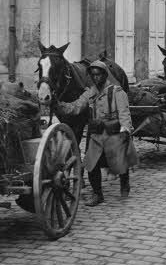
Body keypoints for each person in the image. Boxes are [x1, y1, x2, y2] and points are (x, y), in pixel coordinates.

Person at [55, 61, 138, 206]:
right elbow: (75, 107)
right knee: (90, 165)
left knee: (120, 162)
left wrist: (125, 128)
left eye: (98, 74)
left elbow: (124, 113)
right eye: (93, 75)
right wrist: (57, 105)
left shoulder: (116, 91)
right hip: (97, 135)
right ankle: (98, 195)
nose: (95, 78)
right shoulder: (90, 92)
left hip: (114, 133)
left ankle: (125, 184)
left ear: (105, 75)